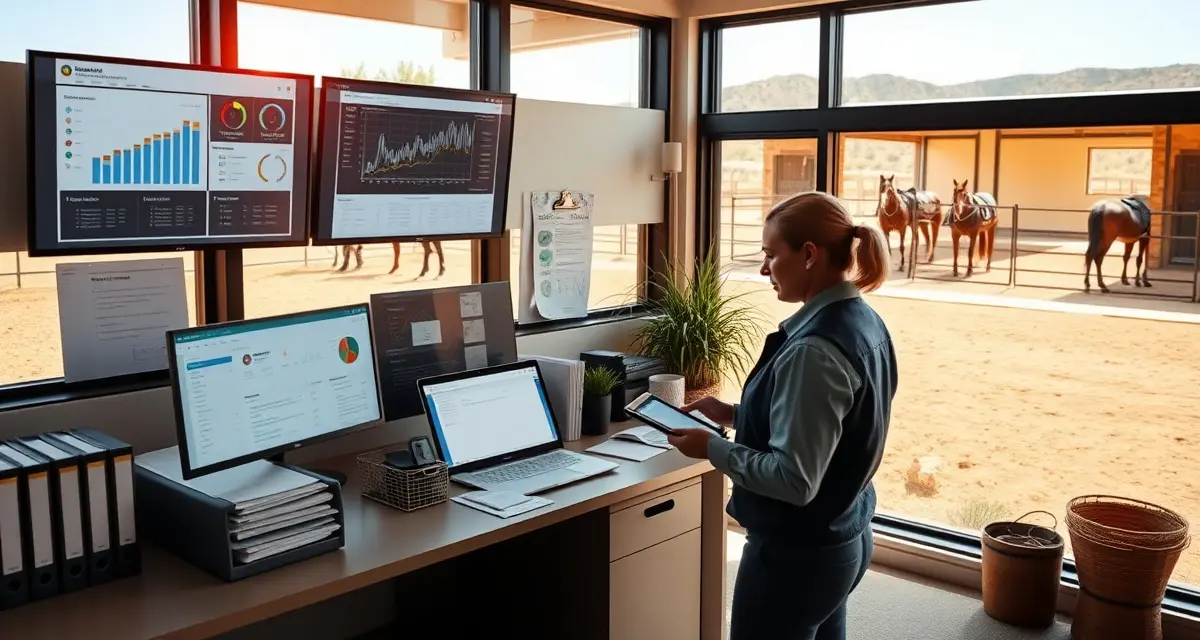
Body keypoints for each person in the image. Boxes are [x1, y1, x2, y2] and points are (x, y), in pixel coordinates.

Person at [668, 191, 898, 640]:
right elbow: (832, 429)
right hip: (844, 536)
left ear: (809, 255)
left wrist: (712, 447)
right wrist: (734, 413)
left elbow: (794, 480)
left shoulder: (813, 350)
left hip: (797, 558)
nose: (763, 268)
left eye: (771, 255)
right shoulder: (865, 322)